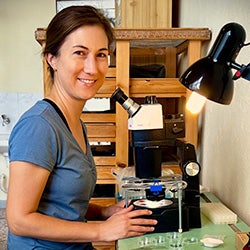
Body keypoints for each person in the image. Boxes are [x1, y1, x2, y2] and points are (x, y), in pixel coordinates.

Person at [6, 5, 157, 250]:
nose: (92, 68)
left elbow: (62, 199)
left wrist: (104, 212)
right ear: (52, 58)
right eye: (79, 53)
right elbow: (19, 220)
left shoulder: (73, 121)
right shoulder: (39, 126)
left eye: (101, 54)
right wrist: (102, 230)